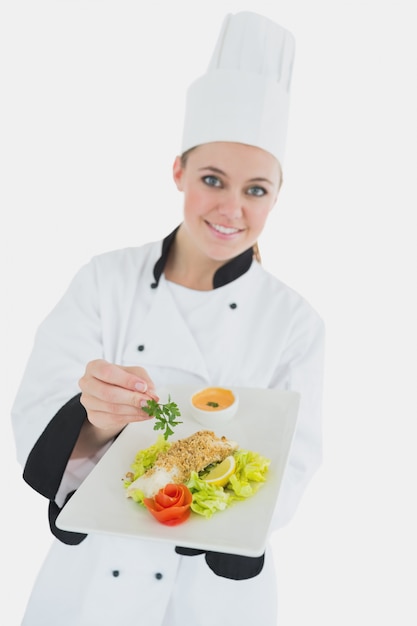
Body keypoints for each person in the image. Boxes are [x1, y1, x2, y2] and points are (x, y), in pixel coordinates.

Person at [11, 11, 325, 626]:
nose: (232, 208)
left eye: (256, 189)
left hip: (215, 595)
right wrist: (94, 421)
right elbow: (37, 404)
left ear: (278, 196)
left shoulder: (294, 321)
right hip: (90, 590)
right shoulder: (105, 280)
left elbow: (297, 459)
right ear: (178, 171)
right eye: (213, 179)